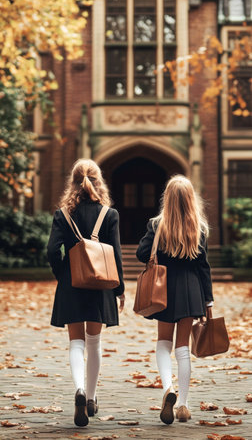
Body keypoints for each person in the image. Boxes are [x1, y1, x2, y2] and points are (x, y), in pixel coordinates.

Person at [47, 159, 125, 427]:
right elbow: (115, 254)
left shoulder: (62, 215)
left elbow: (51, 251)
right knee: (94, 342)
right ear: (98, 180)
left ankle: (78, 389)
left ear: (73, 182)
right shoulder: (109, 214)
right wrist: (120, 289)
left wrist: (63, 274)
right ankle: (91, 398)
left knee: (75, 343)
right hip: (101, 284)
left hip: (72, 284)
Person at [136, 175, 213, 425]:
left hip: (163, 289)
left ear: (166, 198)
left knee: (163, 342)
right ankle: (183, 405)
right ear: (191, 199)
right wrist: (208, 302)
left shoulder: (157, 224)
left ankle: (168, 388)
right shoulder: (199, 227)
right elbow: (204, 267)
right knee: (183, 349)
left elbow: (141, 254)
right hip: (191, 291)